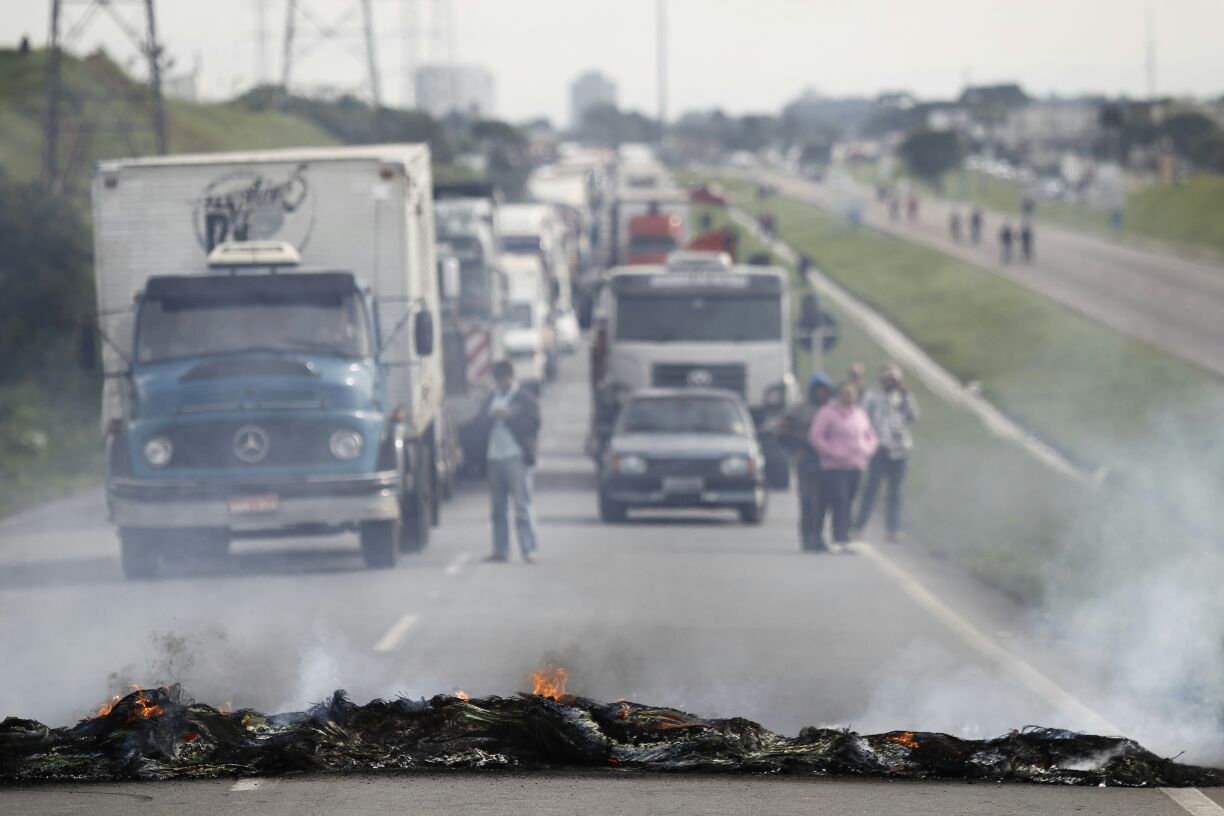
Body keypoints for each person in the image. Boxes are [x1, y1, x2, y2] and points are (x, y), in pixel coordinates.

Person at [478, 360, 541, 563]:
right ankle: (500, 550)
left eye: (503, 379)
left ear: (510, 377)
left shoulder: (524, 398)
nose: (500, 383)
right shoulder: (491, 398)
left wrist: (510, 416)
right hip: (494, 456)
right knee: (498, 507)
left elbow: (534, 424)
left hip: (516, 457)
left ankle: (529, 549)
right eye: (497, 380)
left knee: (522, 506)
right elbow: (479, 423)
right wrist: (490, 416)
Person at [853, 364, 919, 542]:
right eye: (887, 378)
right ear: (881, 379)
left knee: (895, 492)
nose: (891, 381)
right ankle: (858, 527)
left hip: (900, 450)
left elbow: (913, 415)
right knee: (871, 490)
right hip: (878, 448)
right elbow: (862, 416)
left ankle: (893, 529)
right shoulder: (872, 396)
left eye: (894, 378)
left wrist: (905, 395)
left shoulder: (903, 396)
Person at [808, 382, 878, 548]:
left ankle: (844, 534)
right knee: (839, 499)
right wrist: (832, 452)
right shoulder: (827, 413)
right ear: (839, 394)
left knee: (851, 500)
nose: (848, 396)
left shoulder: (860, 414)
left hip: (855, 465)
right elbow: (816, 436)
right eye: (845, 393)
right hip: (834, 466)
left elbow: (871, 436)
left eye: (852, 393)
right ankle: (837, 536)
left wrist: (866, 450)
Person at [776, 372, 834, 551]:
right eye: (818, 390)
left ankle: (819, 536)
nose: (821, 394)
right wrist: (795, 449)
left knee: (823, 502)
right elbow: (781, 431)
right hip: (806, 460)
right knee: (808, 500)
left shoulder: (833, 410)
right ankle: (807, 537)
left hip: (828, 461)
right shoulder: (799, 410)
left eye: (824, 390)